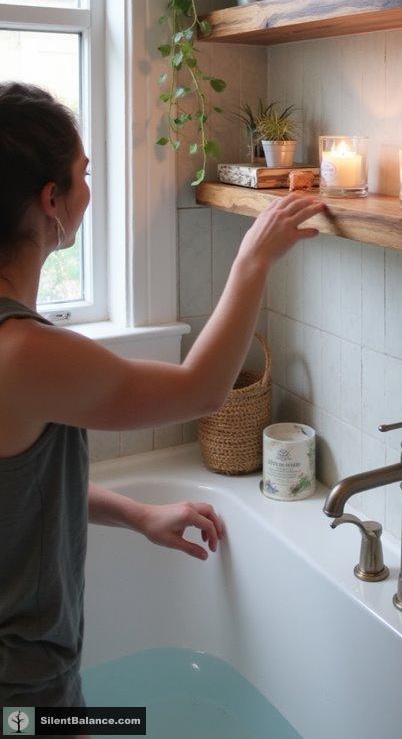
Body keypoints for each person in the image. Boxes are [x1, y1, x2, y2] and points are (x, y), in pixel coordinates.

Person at [0, 81, 324, 713]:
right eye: (83, 175)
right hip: (25, 698)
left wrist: (138, 514)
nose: (89, 192)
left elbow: (23, 494)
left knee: (123, 722)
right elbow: (202, 391)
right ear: (51, 201)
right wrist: (252, 261)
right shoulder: (23, 353)